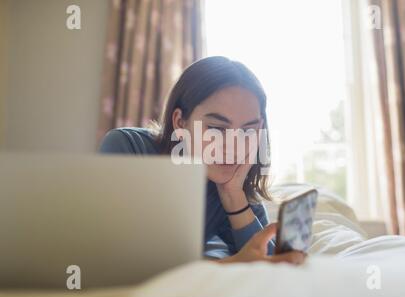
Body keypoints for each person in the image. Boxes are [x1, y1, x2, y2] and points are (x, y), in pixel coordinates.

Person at [99, 56, 304, 265]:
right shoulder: (128, 148)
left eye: (247, 131)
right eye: (216, 129)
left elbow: (268, 265)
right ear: (180, 122)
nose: (233, 146)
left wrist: (232, 195)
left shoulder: (234, 186)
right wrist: (228, 265)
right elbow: (114, 258)